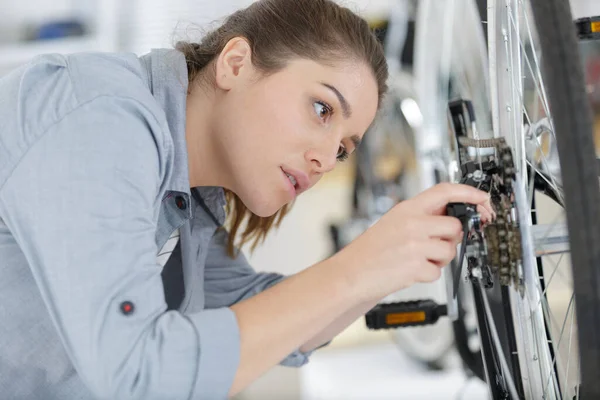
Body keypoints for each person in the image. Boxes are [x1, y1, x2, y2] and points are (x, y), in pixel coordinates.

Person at [0, 0, 493, 399]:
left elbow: (271, 318)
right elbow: (139, 373)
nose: (326, 158)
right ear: (235, 63)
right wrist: (359, 267)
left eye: (344, 148)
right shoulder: (100, 119)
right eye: (322, 108)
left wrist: (389, 264)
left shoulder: (190, 198)